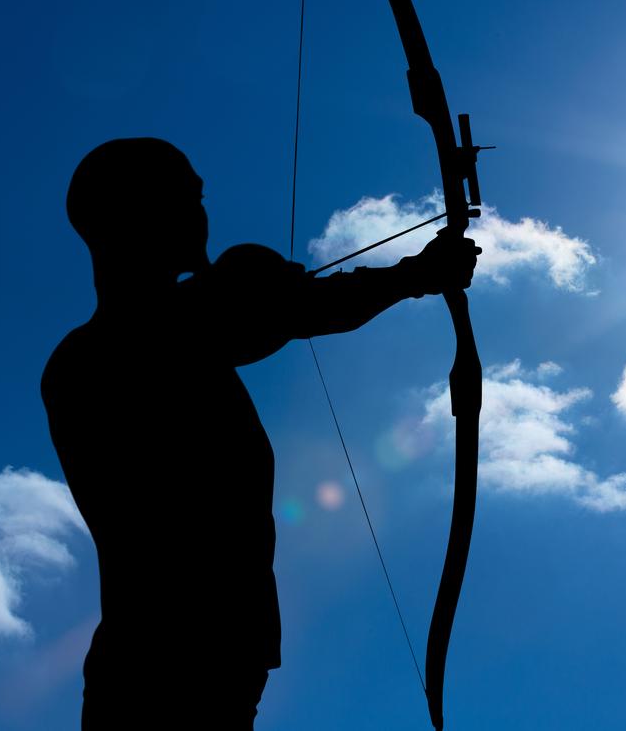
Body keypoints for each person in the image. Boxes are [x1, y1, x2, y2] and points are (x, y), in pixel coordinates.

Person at [40, 137, 479, 729]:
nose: (201, 214)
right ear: (135, 214)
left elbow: (267, 308)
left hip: (204, 665)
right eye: (187, 197)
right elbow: (281, 309)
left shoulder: (157, 335)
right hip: (167, 671)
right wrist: (417, 275)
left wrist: (402, 278)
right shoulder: (106, 353)